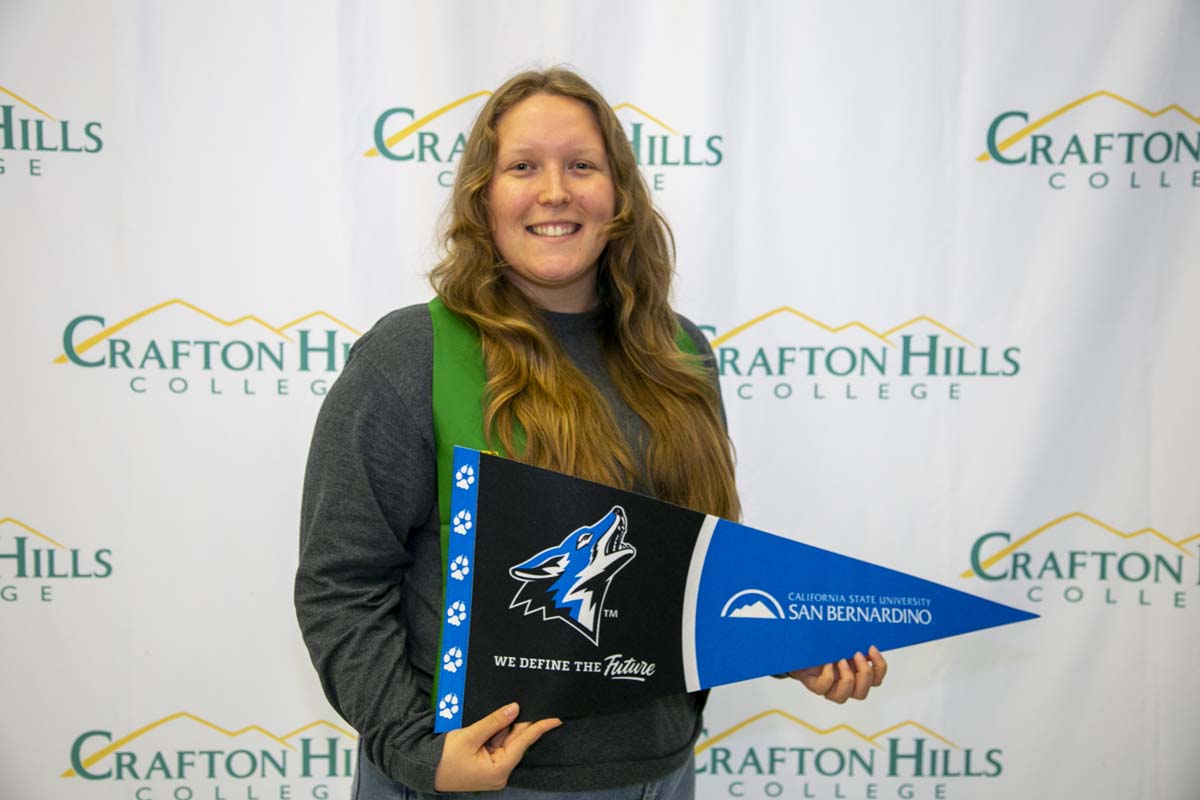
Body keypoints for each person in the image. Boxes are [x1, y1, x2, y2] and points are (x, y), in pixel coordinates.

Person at [295, 67, 886, 800]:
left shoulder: (681, 352)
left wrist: (785, 644)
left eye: (581, 165)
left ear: (620, 196)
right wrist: (417, 751)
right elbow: (340, 583)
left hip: (659, 770)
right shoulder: (413, 354)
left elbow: (684, 569)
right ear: (483, 195)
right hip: (477, 783)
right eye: (522, 167)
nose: (554, 191)